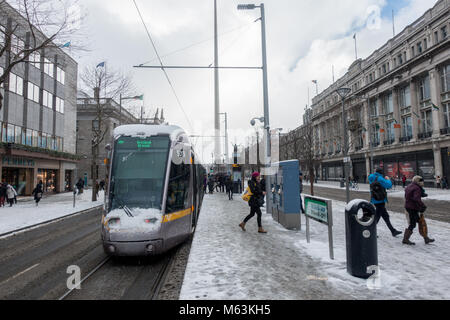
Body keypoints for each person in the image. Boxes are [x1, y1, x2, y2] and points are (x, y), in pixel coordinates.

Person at [368, 168, 402, 237]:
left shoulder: (371, 177)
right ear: (381, 172)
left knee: (385, 216)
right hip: (380, 200)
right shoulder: (380, 178)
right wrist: (388, 179)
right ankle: (370, 231)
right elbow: (389, 185)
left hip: (375, 198)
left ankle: (393, 231)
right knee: (377, 217)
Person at [403, 176, 435, 245]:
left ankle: (426, 238)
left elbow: (409, 195)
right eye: (421, 181)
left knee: (420, 222)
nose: (423, 183)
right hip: (412, 207)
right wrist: (422, 205)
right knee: (413, 224)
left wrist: (421, 195)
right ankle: (405, 239)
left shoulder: (410, 186)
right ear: (418, 181)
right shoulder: (417, 188)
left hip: (409, 206)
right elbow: (416, 199)